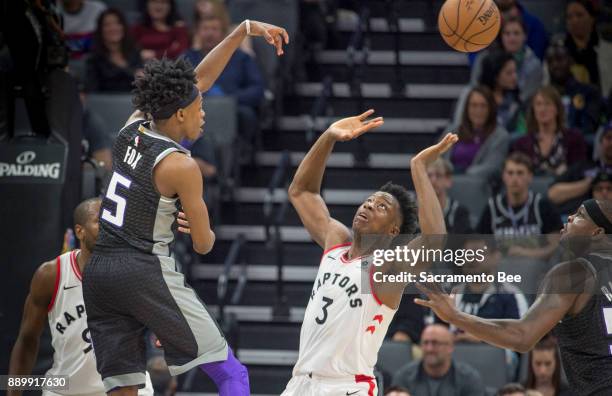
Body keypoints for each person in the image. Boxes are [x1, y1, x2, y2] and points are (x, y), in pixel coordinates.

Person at [82, 20, 289, 396]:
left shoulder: (132, 127)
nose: (204, 110)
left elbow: (199, 80)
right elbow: (204, 246)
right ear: (180, 114)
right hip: (143, 269)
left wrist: (241, 30)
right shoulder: (182, 165)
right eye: (199, 106)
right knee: (233, 376)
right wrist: (199, 227)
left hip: (100, 274)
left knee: (124, 389)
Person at [281, 113, 458, 395]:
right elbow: (301, 191)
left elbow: (434, 240)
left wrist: (419, 167)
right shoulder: (335, 241)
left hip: (346, 387)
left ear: (392, 231)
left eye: (381, 207)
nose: (369, 206)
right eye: (369, 201)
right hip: (300, 382)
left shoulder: (383, 268)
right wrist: (328, 137)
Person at [414, 198, 612, 395]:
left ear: (597, 232)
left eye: (579, 215)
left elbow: (522, 337)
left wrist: (455, 317)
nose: (569, 217)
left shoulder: (572, 274)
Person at [7, 198, 154, 396]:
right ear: (79, 231)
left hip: (127, 388)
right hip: (65, 389)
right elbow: (26, 340)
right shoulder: (51, 275)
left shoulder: (136, 271)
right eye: (100, 221)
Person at [183, 12, 265, 151]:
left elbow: (257, 89)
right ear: (197, 32)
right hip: (195, 109)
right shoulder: (186, 58)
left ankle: (240, 154)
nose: (209, 33)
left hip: (233, 107)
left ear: (224, 34)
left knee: (247, 115)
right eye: (205, 29)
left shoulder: (242, 58)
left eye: (214, 29)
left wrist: (229, 100)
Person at [477, 152, 562, 259]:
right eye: (510, 173)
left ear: (530, 176)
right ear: (503, 176)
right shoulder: (492, 207)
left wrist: (527, 254)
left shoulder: (543, 206)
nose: (515, 178)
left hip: (536, 269)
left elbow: (555, 246)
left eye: (520, 173)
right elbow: (479, 247)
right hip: (501, 270)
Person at [391, 324, 486, 396]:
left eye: (435, 343)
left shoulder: (469, 379)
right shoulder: (404, 377)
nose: (429, 349)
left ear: (450, 347)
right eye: (425, 343)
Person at [512, 86, 587, 176]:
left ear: (557, 109)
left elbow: (579, 173)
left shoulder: (574, 138)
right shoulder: (521, 144)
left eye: (547, 104)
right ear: (533, 110)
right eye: (538, 104)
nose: (542, 109)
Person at [471, 15, 543, 103]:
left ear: (525, 36)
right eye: (507, 33)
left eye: (516, 33)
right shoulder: (484, 58)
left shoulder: (534, 65)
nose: (512, 38)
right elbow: (475, 87)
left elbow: (528, 98)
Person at [447, 85, 510, 180]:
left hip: (479, 187)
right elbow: (439, 159)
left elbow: (493, 167)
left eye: (483, 106)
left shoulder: (500, 136)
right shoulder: (453, 130)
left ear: (491, 109)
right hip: (447, 184)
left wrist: (462, 174)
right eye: (474, 105)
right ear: (467, 108)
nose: (478, 110)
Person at [548, 122, 612, 215]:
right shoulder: (583, 167)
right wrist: (587, 183)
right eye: (608, 138)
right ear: (601, 141)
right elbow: (552, 194)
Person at [453, 51, 522, 134]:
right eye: (509, 73)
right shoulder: (472, 95)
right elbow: (458, 125)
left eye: (515, 72)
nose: (515, 77)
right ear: (496, 76)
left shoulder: (514, 100)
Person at [546, 42, 603, 137]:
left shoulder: (590, 92)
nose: (555, 65)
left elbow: (589, 127)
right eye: (550, 61)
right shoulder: (542, 97)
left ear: (570, 61)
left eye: (559, 59)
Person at [85, 8, 144, 92]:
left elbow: (141, 85)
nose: (113, 28)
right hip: (105, 103)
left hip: (132, 102)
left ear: (123, 27)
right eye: (107, 24)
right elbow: (92, 92)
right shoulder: (94, 59)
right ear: (100, 30)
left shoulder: (134, 52)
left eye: (118, 23)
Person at [426, 158, 473, 233]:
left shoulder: (459, 212)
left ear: (449, 180)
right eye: (429, 176)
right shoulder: (413, 211)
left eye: (438, 175)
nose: (433, 180)